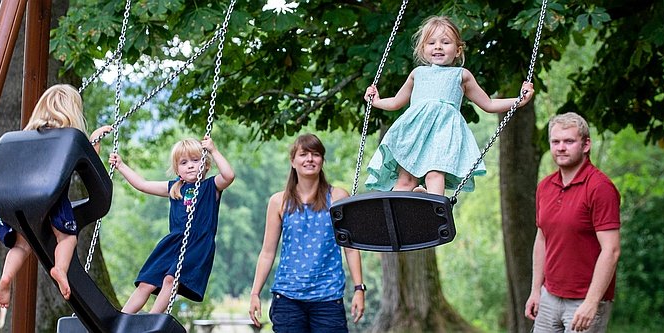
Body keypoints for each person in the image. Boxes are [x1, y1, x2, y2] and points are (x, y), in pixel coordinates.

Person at [363, 15, 536, 195]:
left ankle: (433, 211)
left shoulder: (462, 75)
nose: (438, 46)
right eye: (431, 43)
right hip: (414, 132)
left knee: (435, 174)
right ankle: (399, 211)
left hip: (443, 133)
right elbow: (396, 102)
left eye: (445, 42)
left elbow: (489, 104)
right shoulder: (418, 73)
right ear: (423, 49)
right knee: (405, 179)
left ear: (458, 50)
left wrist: (519, 100)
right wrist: (376, 101)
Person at [0, 84, 115, 307]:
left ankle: (6, 277)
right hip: (50, 200)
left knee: (21, 246)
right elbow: (89, 166)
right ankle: (59, 268)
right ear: (72, 112)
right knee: (66, 238)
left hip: (11, 204)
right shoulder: (69, 139)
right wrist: (95, 142)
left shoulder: (22, 137)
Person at [248, 134, 366, 332]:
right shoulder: (279, 201)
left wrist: (358, 289)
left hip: (328, 299)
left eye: (316, 154)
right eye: (303, 154)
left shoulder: (338, 197)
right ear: (293, 161)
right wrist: (254, 293)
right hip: (288, 299)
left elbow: (351, 249)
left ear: (322, 160)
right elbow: (267, 252)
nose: (310, 159)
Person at [110, 136, 236, 313]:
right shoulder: (174, 188)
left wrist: (213, 150)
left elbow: (229, 175)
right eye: (184, 162)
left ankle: (152, 321)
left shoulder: (211, 186)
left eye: (195, 160)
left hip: (197, 244)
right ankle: (121, 319)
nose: (190, 165)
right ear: (177, 169)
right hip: (173, 242)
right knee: (146, 282)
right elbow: (143, 184)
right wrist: (121, 166)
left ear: (206, 164)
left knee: (171, 279)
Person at [523, 112, 621, 332]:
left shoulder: (600, 188)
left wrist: (591, 303)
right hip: (549, 297)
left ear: (586, 145)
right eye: (555, 142)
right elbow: (542, 239)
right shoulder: (545, 186)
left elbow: (611, 250)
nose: (561, 147)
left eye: (569, 141)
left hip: (584, 301)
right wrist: (536, 290)